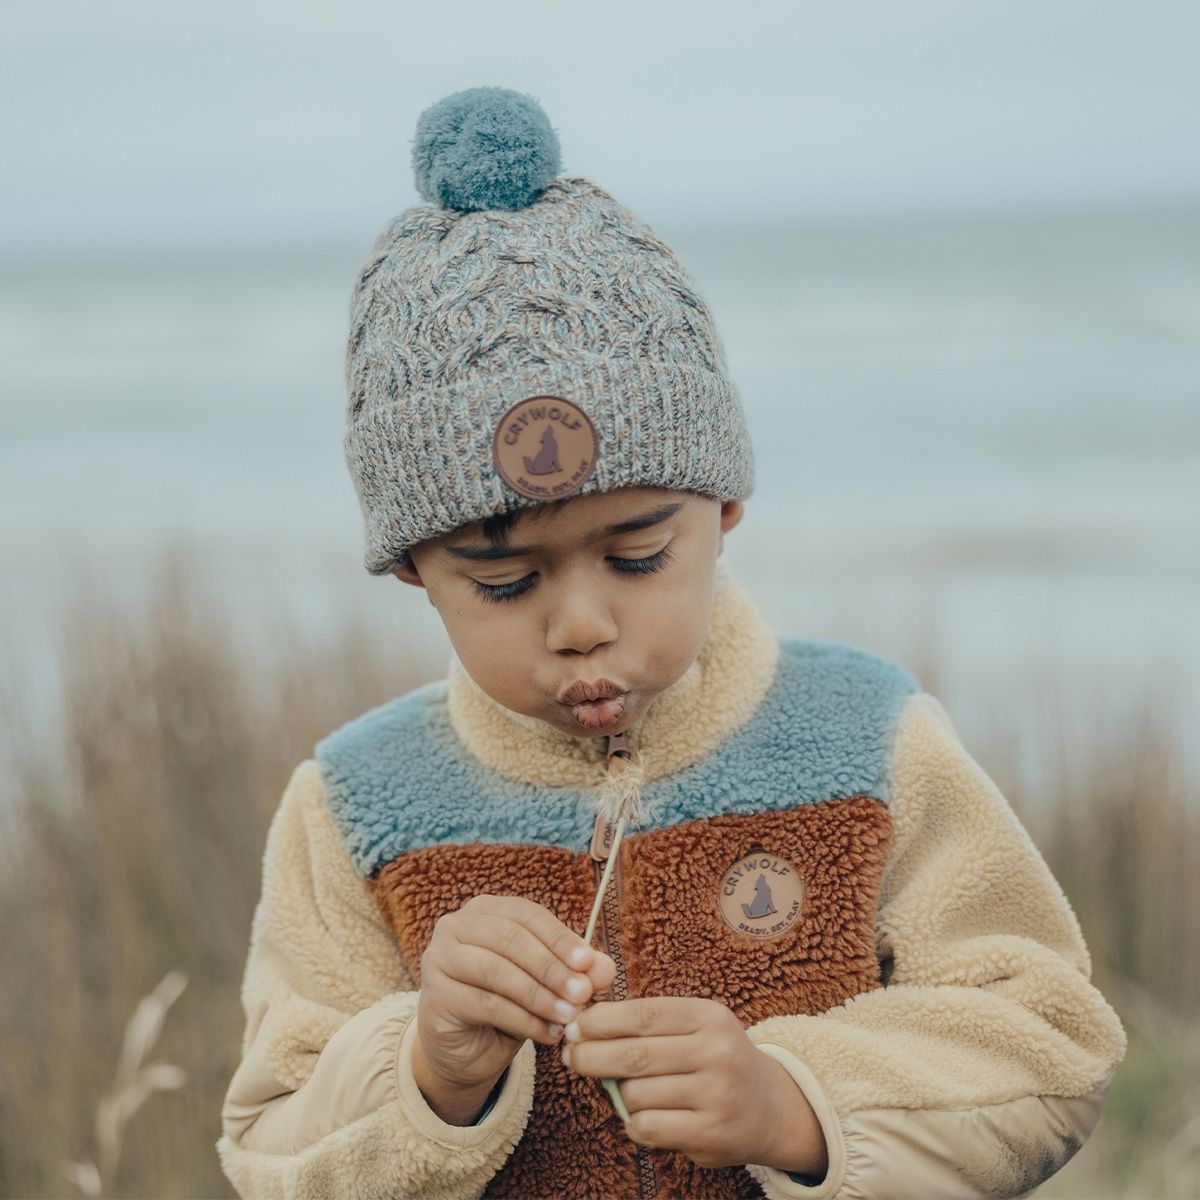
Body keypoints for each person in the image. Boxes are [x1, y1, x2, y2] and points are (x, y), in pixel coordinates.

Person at [216, 86, 1126, 1199]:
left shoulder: (865, 739)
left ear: (725, 510)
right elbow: (269, 1148)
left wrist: (796, 1103)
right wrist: (428, 1070)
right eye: (504, 582)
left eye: (639, 556)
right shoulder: (354, 806)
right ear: (414, 571)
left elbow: (1048, 1045)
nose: (584, 623)